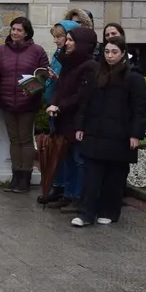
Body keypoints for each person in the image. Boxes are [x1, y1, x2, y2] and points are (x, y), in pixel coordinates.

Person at [74, 36, 146, 227]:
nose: (110, 56)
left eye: (114, 52)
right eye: (107, 51)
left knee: (114, 176)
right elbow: (85, 103)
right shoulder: (95, 74)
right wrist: (80, 126)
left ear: (123, 54)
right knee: (91, 176)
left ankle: (109, 211)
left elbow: (139, 109)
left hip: (119, 135)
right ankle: (86, 213)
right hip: (95, 132)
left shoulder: (133, 78)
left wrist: (135, 134)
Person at [0, 16, 50, 194]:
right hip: (7, 102)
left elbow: (43, 75)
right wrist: (1, 93)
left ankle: (25, 176)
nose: (15, 33)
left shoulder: (37, 51)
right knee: (14, 139)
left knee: (25, 139)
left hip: (28, 102)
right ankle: (15, 176)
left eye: (19, 30)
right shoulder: (1, 51)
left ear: (26, 32)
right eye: (13, 29)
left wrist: (30, 91)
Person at [44, 26, 98, 211]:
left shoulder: (90, 66)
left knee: (78, 159)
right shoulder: (69, 63)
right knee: (66, 158)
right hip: (64, 120)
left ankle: (78, 197)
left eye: (70, 40)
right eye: (66, 39)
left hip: (78, 120)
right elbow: (62, 88)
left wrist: (60, 106)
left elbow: (82, 95)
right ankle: (67, 194)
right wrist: (53, 103)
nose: (66, 43)